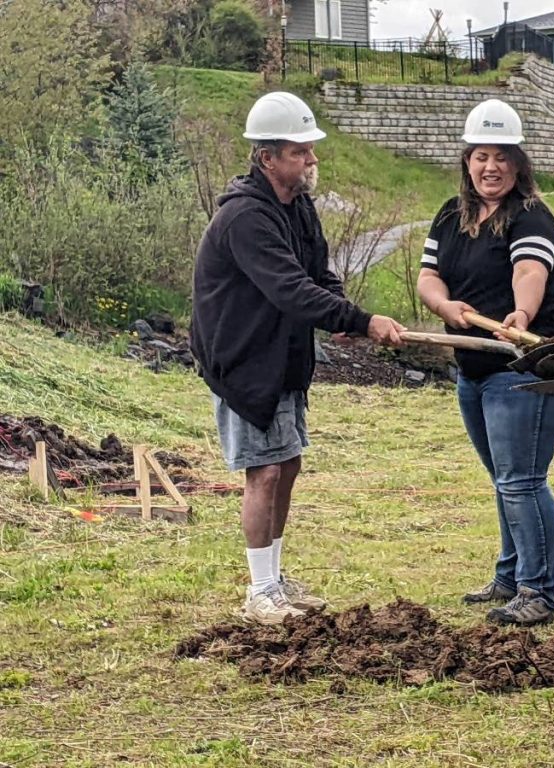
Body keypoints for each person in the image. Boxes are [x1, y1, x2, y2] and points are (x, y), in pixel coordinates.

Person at [191, 92, 406, 625]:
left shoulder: (298, 206)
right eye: (300, 151)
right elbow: (289, 290)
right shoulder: (246, 217)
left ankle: (276, 579)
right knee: (263, 471)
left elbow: (318, 275)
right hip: (243, 358)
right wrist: (359, 320)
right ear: (267, 158)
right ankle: (259, 591)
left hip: (283, 353)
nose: (311, 160)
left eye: (310, 150)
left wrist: (346, 318)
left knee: (286, 464)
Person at [417, 99, 554, 627]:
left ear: (519, 163)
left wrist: (520, 313)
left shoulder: (532, 215)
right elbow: (428, 277)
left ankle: (538, 589)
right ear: (467, 160)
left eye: (502, 157)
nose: (491, 167)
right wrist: (444, 306)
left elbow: (531, 271)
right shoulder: (450, 214)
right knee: (502, 477)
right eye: (481, 155)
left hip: (524, 367)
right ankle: (510, 574)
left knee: (522, 479)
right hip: (474, 365)